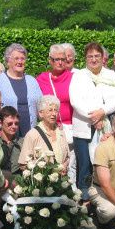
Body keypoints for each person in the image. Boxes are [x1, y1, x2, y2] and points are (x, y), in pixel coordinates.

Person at [69, 42, 115, 201]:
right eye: (90, 56)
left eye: (97, 56)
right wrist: (93, 117)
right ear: (85, 58)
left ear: (103, 57)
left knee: (105, 163)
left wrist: (102, 112)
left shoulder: (110, 75)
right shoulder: (79, 75)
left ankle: (106, 198)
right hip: (84, 126)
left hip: (106, 126)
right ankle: (84, 199)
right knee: (84, 164)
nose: (93, 59)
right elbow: (75, 100)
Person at [36, 45, 75, 180]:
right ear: (50, 60)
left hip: (69, 129)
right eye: (56, 59)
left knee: (70, 165)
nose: (60, 62)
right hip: (50, 129)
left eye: (63, 59)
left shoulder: (74, 78)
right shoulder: (42, 78)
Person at [0, 43, 43, 137]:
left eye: (22, 58)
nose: (20, 61)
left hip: (30, 133)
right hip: (7, 135)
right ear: (8, 61)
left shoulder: (32, 80)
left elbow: (41, 105)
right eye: (16, 58)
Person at [18, 95, 70, 171]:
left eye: (55, 110)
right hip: (43, 181)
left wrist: (64, 167)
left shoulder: (60, 131)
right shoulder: (32, 134)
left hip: (61, 180)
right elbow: (23, 164)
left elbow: (67, 157)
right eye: (50, 110)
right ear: (41, 113)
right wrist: (42, 173)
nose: (54, 113)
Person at [0, 106, 23, 180]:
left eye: (16, 123)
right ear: (0, 123)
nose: (14, 126)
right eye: (9, 124)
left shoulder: (23, 143)